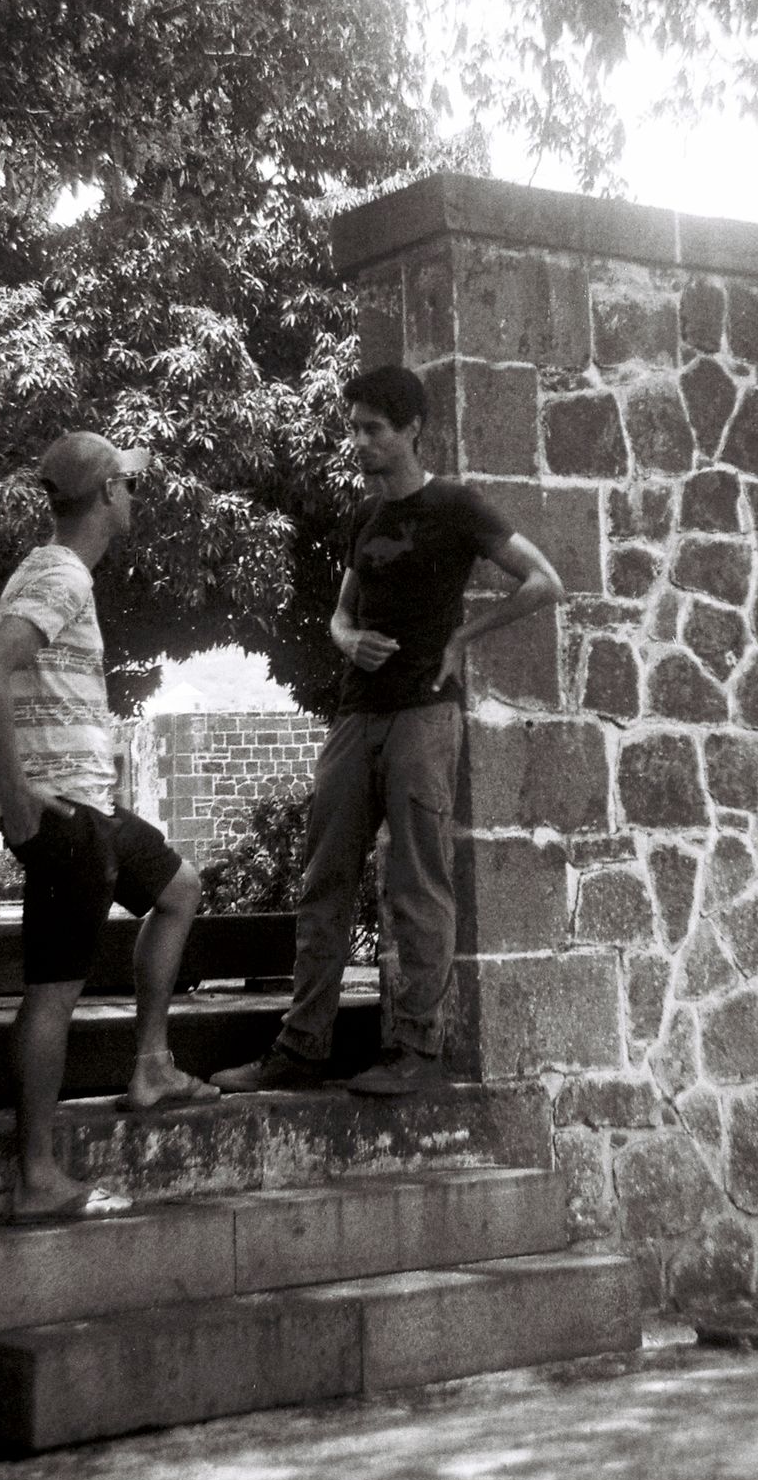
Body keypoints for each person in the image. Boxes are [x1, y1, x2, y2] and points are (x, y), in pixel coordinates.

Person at [212, 366, 564, 1099]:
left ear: (411, 430)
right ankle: (300, 1049)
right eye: (354, 428)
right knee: (324, 878)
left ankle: (416, 1048)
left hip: (423, 714)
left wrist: (463, 637)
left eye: (374, 428)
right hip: (357, 712)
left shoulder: (455, 505)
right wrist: (348, 642)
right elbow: (342, 616)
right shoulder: (364, 517)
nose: (360, 441)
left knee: (416, 882)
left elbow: (543, 582)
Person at [0, 431, 216, 1224]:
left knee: (179, 888)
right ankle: (36, 1177)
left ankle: (152, 1066)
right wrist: (15, 788)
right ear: (107, 493)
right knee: (53, 994)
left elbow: (7, 678)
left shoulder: (56, 570)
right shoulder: (61, 574)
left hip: (90, 807)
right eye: (128, 485)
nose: (135, 496)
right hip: (64, 815)